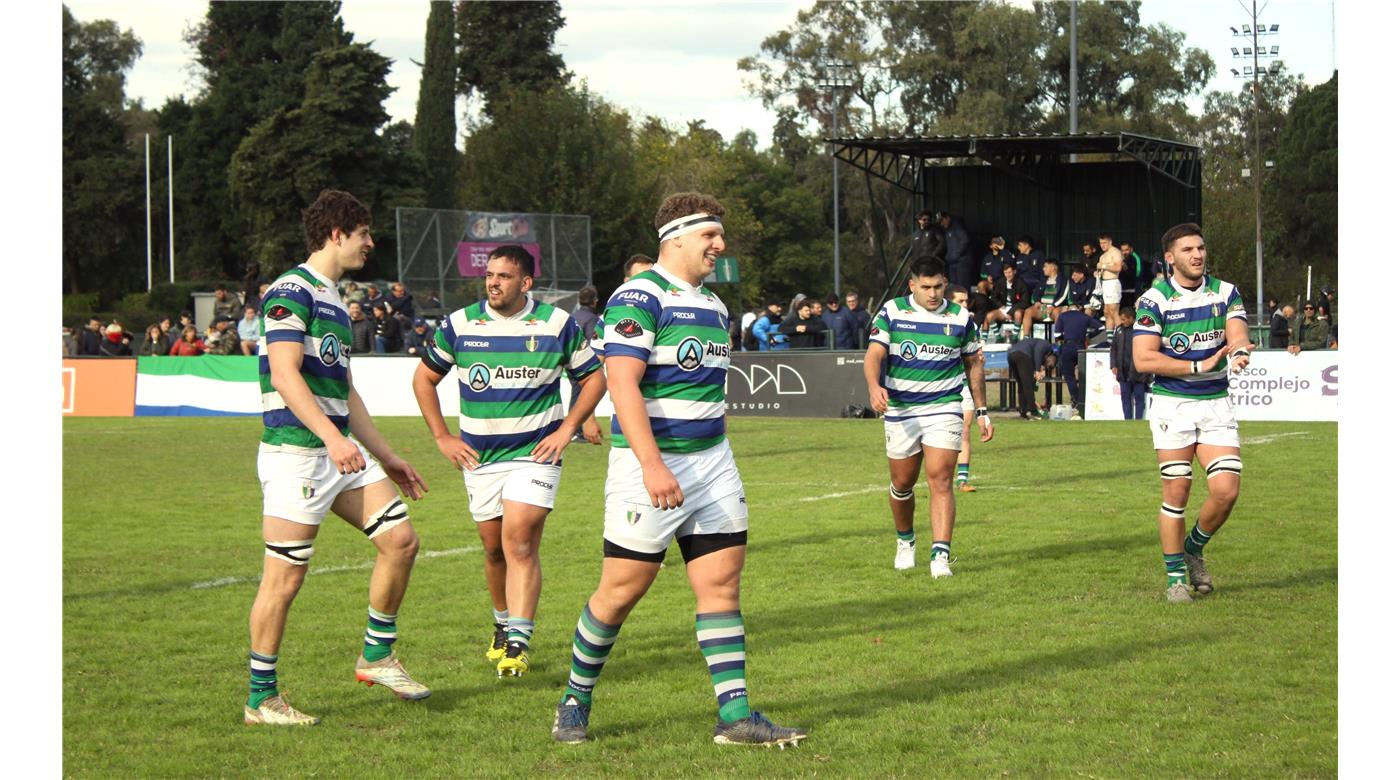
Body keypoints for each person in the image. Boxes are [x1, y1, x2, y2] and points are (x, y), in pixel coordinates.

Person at [551, 191, 807, 747]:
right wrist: (652, 464)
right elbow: (621, 384)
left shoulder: (714, 307)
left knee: (721, 583)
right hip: (651, 467)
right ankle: (574, 698)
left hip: (713, 463)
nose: (721, 245)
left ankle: (735, 715)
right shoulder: (637, 297)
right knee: (622, 588)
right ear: (678, 238)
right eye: (711, 236)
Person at [244, 189, 430, 726]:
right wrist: (331, 438)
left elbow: (343, 390)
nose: (370, 243)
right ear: (336, 234)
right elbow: (284, 373)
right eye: (364, 233)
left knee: (400, 540)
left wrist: (387, 455)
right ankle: (262, 698)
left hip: (337, 453)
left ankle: (376, 655)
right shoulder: (290, 290)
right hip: (298, 455)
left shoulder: (333, 299)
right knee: (283, 579)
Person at [411, 244, 605, 679]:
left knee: (519, 541)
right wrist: (442, 437)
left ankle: (519, 640)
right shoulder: (460, 324)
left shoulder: (557, 323)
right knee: (493, 549)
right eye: (489, 275)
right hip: (480, 458)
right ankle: (501, 623)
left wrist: (566, 428)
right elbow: (424, 378)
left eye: (503, 276)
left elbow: (594, 378)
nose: (493, 282)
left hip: (535, 453)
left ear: (526, 283)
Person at [1132, 222, 1250, 604]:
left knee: (1226, 491)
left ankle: (1194, 547)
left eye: (1200, 248)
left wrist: (1240, 350)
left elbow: (1237, 332)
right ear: (1170, 258)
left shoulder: (1225, 292)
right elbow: (1143, 357)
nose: (1197, 255)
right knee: (1177, 490)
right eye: (1188, 250)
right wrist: (1196, 368)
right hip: (1173, 405)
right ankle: (1175, 578)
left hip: (1215, 403)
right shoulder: (1155, 299)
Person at [865, 256, 993, 579]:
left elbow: (974, 365)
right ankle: (905, 540)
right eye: (926, 287)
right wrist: (873, 386)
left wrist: (981, 411)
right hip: (902, 409)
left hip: (944, 406)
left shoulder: (961, 318)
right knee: (902, 483)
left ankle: (940, 556)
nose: (933, 293)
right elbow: (874, 354)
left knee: (941, 478)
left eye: (938, 287)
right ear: (912, 285)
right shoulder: (892, 311)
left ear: (945, 284)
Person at [580, 253, 656, 445]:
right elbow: (593, 371)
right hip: (627, 431)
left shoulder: (670, 310)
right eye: (641, 277)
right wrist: (588, 418)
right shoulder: (609, 318)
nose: (647, 283)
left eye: (651, 276)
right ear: (626, 281)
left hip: (676, 432)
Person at [948, 286, 983, 492]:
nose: (964, 305)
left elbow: (975, 358)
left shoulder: (971, 326)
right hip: (943, 386)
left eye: (966, 301)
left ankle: (962, 480)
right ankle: (942, 472)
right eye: (959, 301)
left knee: (964, 430)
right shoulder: (939, 324)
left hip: (963, 385)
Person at [1051, 301, 1104, 416]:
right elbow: (1101, 327)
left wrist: (1066, 336)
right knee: (1083, 376)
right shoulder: (1085, 317)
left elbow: (1056, 335)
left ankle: (1076, 400)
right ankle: (1086, 401)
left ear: (1068, 308)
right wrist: (1088, 335)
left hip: (1067, 347)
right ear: (1079, 308)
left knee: (1069, 376)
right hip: (1081, 347)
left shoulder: (1063, 316)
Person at [1110, 309, 1149, 419]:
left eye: (1124, 319)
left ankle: (1138, 420)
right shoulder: (1119, 330)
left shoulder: (1141, 330)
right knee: (1125, 397)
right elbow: (1113, 348)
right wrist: (1113, 365)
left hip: (1138, 370)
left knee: (1139, 397)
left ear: (1132, 318)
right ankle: (1127, 420)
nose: (1122, 322)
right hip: (1123, 370)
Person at [1006, 337, 1057, 419]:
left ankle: (1023, 411)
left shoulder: (1033, 346)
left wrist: (1036, 371)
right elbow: (1038, 352)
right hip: (1022, 354)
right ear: (1051, 355)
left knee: (1022, 385)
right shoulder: (1046, 345)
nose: (1047, 365)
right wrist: (1037, 371)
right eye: (1048, 364)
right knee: (1028, 386)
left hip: (1011, 355)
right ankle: (1034, 412)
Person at [1022, 257, 1068, 337]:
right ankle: (1026, 338)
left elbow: (1063, 296)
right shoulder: (1043, 280)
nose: (1043, 269)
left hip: (1055, 308)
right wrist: (1037, 302)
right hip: (1042, 307)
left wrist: (1053, 306)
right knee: (1028, 311)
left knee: (1058, 313)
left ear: (1053, 267)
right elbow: (1035, 294)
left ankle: (1058, 340)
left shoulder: (1063, 280)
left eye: (1045, 266)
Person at [984, 262, 1031, 337]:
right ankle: (998, 337)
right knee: (989, 316)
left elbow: (1025, 302)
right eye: (1005, 273)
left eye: (1009, 272)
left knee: (1018, 314)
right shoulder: (1000, 282)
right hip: (1003, 308)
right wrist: (1000, 305)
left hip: (1016, 309)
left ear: (1014, 271)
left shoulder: (1021, 283)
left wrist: (1011, 311)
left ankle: (1014, 338)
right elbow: (993, 297)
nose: (1008, 275)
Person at [1095, 233, 1125, 335]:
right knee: (1107, 312)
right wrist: (1098, 273)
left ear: (1110, 242)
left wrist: (1103, 265)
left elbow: (1118, 268)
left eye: (1104, 243)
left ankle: (1122, 336)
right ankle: (1110, 340)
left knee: (1113, 311)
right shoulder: (1102, 256)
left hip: (1113, 283)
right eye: (1100, 243)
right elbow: (1102, 270)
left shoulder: (1116, 252)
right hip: (1105, 283)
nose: (1102, 245)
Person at [939, 211, 974, 290]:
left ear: (947, 218)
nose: (942, 224)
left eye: (942, 220)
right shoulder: (947, 230)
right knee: (953, 287)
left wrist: (956, 255)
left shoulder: (958, 226)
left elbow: (965, 240)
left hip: (962, 262)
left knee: (962, 287)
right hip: (952, 263)